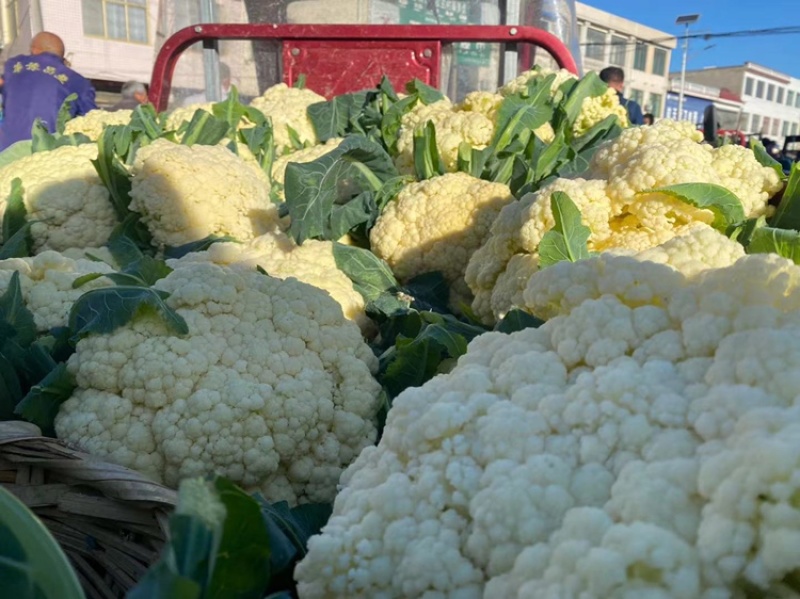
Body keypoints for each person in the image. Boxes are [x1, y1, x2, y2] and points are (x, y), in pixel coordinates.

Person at [0, 31, 96, 150]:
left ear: (34, 49)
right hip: (48, 155)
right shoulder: (78, 81)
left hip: (6, 152)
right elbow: (93, 121)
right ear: (61, 55)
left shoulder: (13, 65)